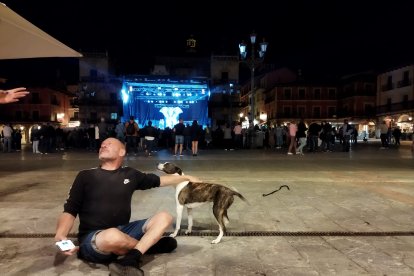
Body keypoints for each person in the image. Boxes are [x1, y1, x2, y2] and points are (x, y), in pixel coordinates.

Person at [54, 137, 201, 274]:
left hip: (124, 231)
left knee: (165, 217)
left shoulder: (130, 174)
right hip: (94, 238)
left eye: (109, 144)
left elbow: (159, 181)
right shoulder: (85, 176)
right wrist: (61, 234)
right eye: (102, 145)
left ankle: (132, 255)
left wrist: (186, 177)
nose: (103, 145)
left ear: (122, 151)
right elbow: (70, 210)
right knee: (112, 236)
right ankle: (148, 247)